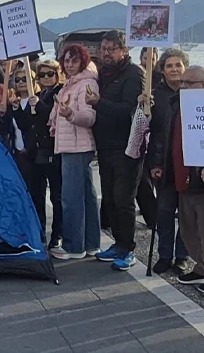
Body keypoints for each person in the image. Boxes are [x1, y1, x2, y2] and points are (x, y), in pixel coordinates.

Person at [161, 66, 204, 294]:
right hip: (181, 177)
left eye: (191, 83)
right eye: (182, 83)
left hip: (203, 180)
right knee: (188, 230)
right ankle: (201, 267)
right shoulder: (175, 106)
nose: (184, 87)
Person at [87, 30, 145, 272]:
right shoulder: (101, 74)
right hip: (105, 146)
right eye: (103, 49)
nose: (107, 53)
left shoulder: (134, 74)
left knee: (124, 199)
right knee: (109, 198)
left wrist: (98, 103)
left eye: (112, 48)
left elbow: (126, 109)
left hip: (127, 147)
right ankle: (118, 245)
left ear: (125, 50)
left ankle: (128, 248)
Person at [49, 45, 100, 260]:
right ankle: (90, 244)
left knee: (71, 198)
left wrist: (70, 115)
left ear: (82, 62)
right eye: (66, 61)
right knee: (87, 197)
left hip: (76, 146)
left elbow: (89, 117)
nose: (69, 65)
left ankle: (73, 246)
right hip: (74, 145)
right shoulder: (70, 84)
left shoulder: (85, 84)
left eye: (74, 61)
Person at [145, 48, 193, 276]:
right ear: (162, 70)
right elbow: (151, 134)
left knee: (186, 213)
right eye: (169, 66)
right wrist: (154, 163)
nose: (174, 69)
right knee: (164, 212)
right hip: (163, 162)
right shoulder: (154, 95)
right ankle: (165, 255)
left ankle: (182, 256)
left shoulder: (195, 92)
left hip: (188, 162)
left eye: (178, 65)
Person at [6, 65, 58, 245]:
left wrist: (37, 106)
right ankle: (34, 231)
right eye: (17, 80)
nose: (21, 82)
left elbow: (43, 121)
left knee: (48, 195)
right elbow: (21, 125)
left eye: (25, 79)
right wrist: (14, 109)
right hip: (22, 154)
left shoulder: (40, 99)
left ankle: (51, 234)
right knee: (29, 194)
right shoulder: (14, 101)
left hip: (41, 153)